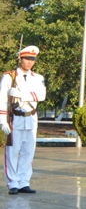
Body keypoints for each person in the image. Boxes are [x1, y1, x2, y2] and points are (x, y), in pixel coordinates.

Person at [1, 46, 46, 195]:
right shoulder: (9, 77)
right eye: (27, 59)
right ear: (20, 59)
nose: (30, 62)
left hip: (31, 118)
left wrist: (21, 94)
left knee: (28, 152)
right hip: (15, 118)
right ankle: (13, 182)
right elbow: (1, 100)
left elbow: (41, 96)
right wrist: (2, 120)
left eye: (32, 59)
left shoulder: (38, 78)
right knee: (12, 152)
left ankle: (24, 182)